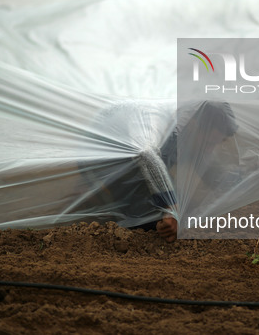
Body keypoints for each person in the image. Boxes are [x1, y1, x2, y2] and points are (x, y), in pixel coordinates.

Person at [81, 100, 238, 242]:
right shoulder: (157, 119)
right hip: (100, 161)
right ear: (194, 124)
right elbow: (145, 153)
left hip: (136, 162)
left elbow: (213, 172)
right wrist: (170, 207)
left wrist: (246, 177)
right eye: (209, 143)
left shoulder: (189, 128)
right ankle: (98, 203)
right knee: (148, 221)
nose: (210, 149)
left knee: (175, 206)